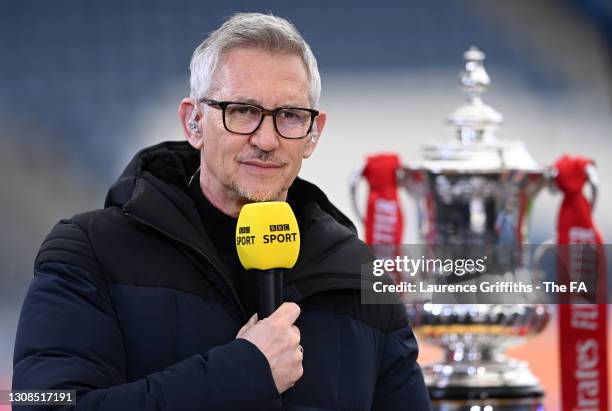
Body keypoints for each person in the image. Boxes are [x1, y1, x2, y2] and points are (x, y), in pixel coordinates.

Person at [13, 12, 431, 410]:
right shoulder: (90, 252)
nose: (266, 139)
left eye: (288, 116)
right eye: (243, 111)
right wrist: (241, 372)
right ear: (194, 122)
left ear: (312, 134)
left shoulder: (357, 271)